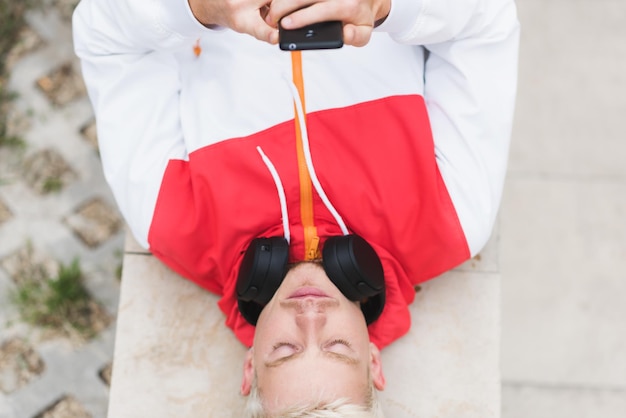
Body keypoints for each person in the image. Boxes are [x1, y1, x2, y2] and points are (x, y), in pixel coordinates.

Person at [72, 0, 519, 415]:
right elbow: (487, 22)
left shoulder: (174, 225)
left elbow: (102, 36)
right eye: (338, 346)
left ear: (250, 368)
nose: (310, 317)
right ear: (374, 364)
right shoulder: (453, 219)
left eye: (285, 351)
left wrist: (196, 8)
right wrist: (385, 8)